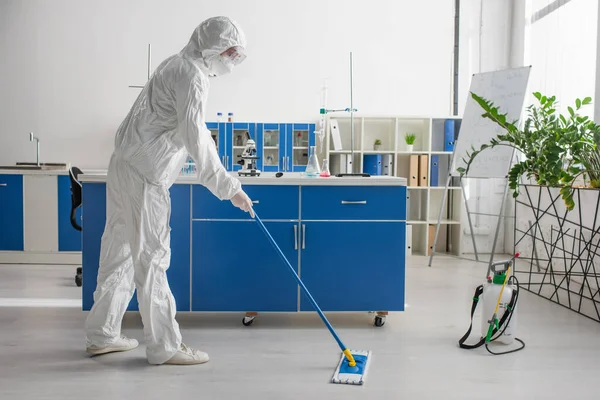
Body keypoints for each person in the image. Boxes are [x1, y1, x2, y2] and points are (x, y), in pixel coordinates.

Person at [84, 16, 254, 365]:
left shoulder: (175, 64)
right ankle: (165, 346)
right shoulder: (192, 76)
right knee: (151, 258)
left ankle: (102, 334)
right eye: (229, 52)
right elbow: (195, 136)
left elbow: (195, 131)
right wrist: (230, 187)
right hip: (145, 174)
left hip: (125, 164)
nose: (231, 60)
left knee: (119, 252)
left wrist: (227, 183)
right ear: (212, 45)